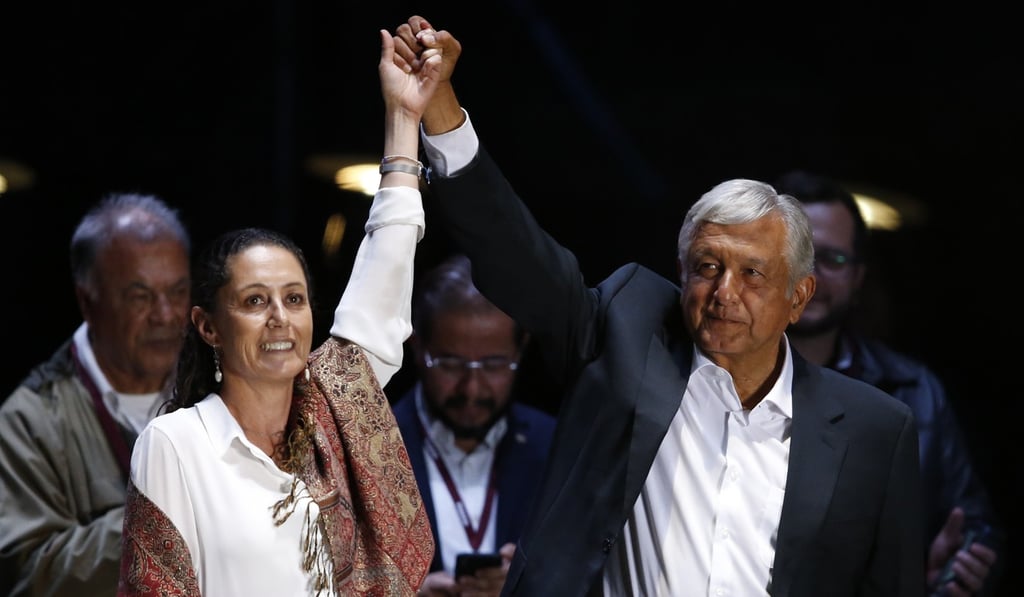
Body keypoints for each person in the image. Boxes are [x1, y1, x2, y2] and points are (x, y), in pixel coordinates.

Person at [391, 16, 926, 596]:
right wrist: (440, 111)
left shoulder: (874, 430)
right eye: (708, 267)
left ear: (799, 296)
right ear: (680, 272)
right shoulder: (625, 333)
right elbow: (516, 253)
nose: (725, 293)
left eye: (752, 274)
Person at [115, 29, 442, 596]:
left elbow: (384, 276)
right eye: (254, 301)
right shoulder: (178, 443)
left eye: (294, 299)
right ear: (207, 325)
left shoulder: (336, 410)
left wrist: (402, 118)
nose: (279, 319)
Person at [774, 169, 1003, 597]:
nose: (812, 275)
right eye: (795, 253)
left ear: (859, 278)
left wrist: (947, 573)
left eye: (834, 259)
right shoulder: (713, 379)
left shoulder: (913, 390)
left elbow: (972, 524)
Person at [0, 193, 191, 596]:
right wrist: (163, 518)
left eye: (177, 292)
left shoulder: (215, 390)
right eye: (140, 296)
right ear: (89, 301)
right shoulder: (28, 421)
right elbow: (26, 573)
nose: (166, 314)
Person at [392, 253, 556, 596]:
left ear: (520, 348)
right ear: (417, 347)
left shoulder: (555, 448)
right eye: (451, 364)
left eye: (494, 364)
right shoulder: (371, 447)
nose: (472, 388)